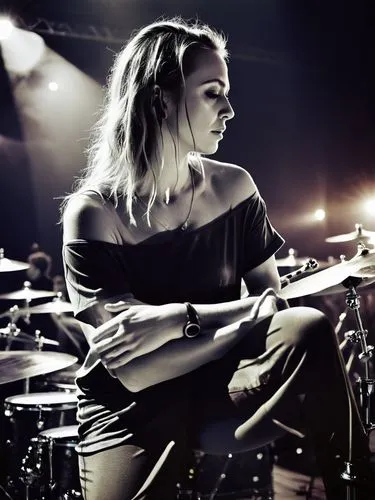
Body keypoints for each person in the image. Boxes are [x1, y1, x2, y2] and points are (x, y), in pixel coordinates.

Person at [61, 17, 374, 500]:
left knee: (309, 326)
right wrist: (232, 321)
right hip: (130, 410)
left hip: (221, 389)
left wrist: (176, 320)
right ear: (159, 99)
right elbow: (137, 370)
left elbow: (276, 309)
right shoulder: (94, 213)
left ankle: (359, 486)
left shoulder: (234, 187)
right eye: (212, 92)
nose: (229, 109)